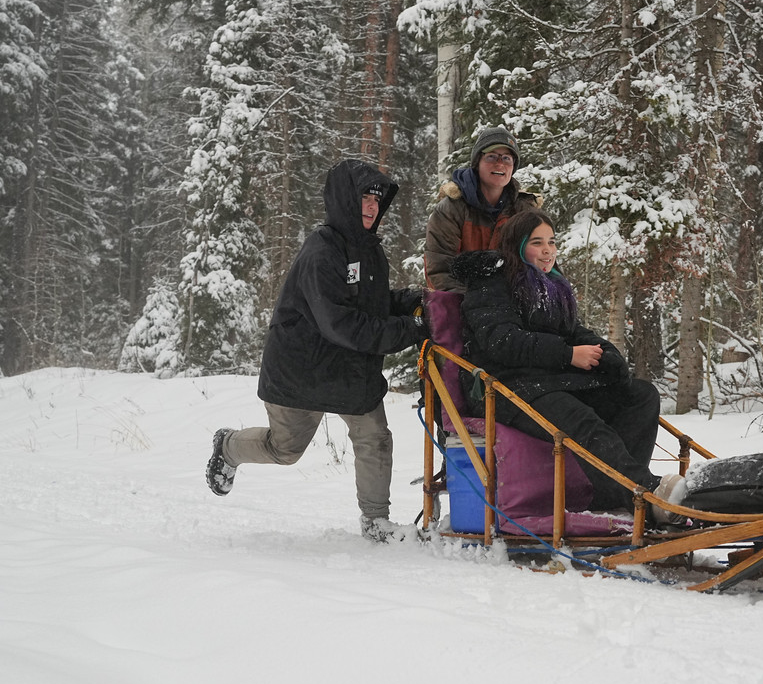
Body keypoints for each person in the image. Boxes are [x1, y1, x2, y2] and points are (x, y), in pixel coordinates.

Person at [205, 159, 427, 542]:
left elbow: (367, 303)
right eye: (363, 198)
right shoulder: (321, 253)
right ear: (344, 200)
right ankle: (227, 446)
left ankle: (376, 523)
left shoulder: (370, 249)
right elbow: (341, 323)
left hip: (347, 371)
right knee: (285, 450)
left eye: (376, 199)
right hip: (301, 371)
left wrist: (408, 301)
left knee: (375, 436)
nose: (372, 207)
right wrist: (413, 329)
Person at [449, 209, 686, 524]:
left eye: (551, 241)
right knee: (581, 420)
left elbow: (573, 330)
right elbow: (502, 341)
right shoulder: (490, 284)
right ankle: (643, 493)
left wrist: (607, 355)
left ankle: (617, 493)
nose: (548, 250)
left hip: (546, 381)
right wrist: (567, 355)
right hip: (503, 388)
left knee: (640, 395)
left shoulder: (550, 285)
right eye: (537, 242)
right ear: (516, 246)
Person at [424, 126, 540, 293]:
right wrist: (474, 306)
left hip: (513, 305)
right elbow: (440, 269)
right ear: (477, 162)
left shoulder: (525, 211)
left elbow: (540, 263)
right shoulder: (452, 209)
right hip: (461, 305)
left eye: (507, 158)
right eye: (491, 156)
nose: (500, 163)